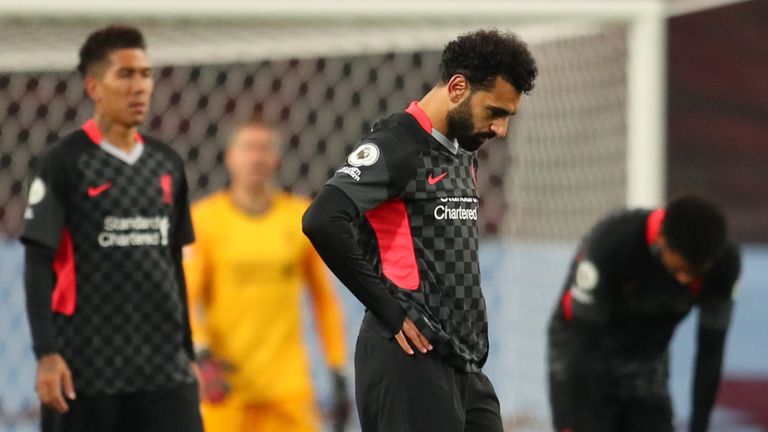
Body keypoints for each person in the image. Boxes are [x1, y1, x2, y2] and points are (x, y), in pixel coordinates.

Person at [302, 29, 538, 432]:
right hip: (407, 361)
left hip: (463, 365)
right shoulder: (396, 144)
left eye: (508, 117)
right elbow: (322, 220)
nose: (501, 129)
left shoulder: (463, 153)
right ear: (458, 87)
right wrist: (390, 311)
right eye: (495, 111)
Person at [20, 25, 202, 432]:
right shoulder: (63, 163)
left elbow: (173, 263)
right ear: (94, 87)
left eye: (146, 74)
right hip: (86, 367)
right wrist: (46, 353)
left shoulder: (167, 163)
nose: (140, 86)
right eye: (125, 74)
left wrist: (187, 351)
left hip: (164, 369)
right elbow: (37, 263)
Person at [183, 119, 350, 432]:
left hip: (287, 389)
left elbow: (324, 300)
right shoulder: (204, 221)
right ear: (230, 157)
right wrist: (201, 353)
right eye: (248, 148)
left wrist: (337, 367)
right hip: (226, 386)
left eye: (264, 149)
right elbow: (185, 299)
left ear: (277, 159)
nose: (256, 158)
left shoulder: (300, 217)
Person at [547, 194, 741, 432]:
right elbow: (582, 345)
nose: (685, 279)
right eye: (679, 269)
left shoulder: (724, 266)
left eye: (695, 272)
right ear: (662, 239)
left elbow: (710, 351)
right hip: (583, 351)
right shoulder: (613, 244)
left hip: (646, 360)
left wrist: (698, 427)